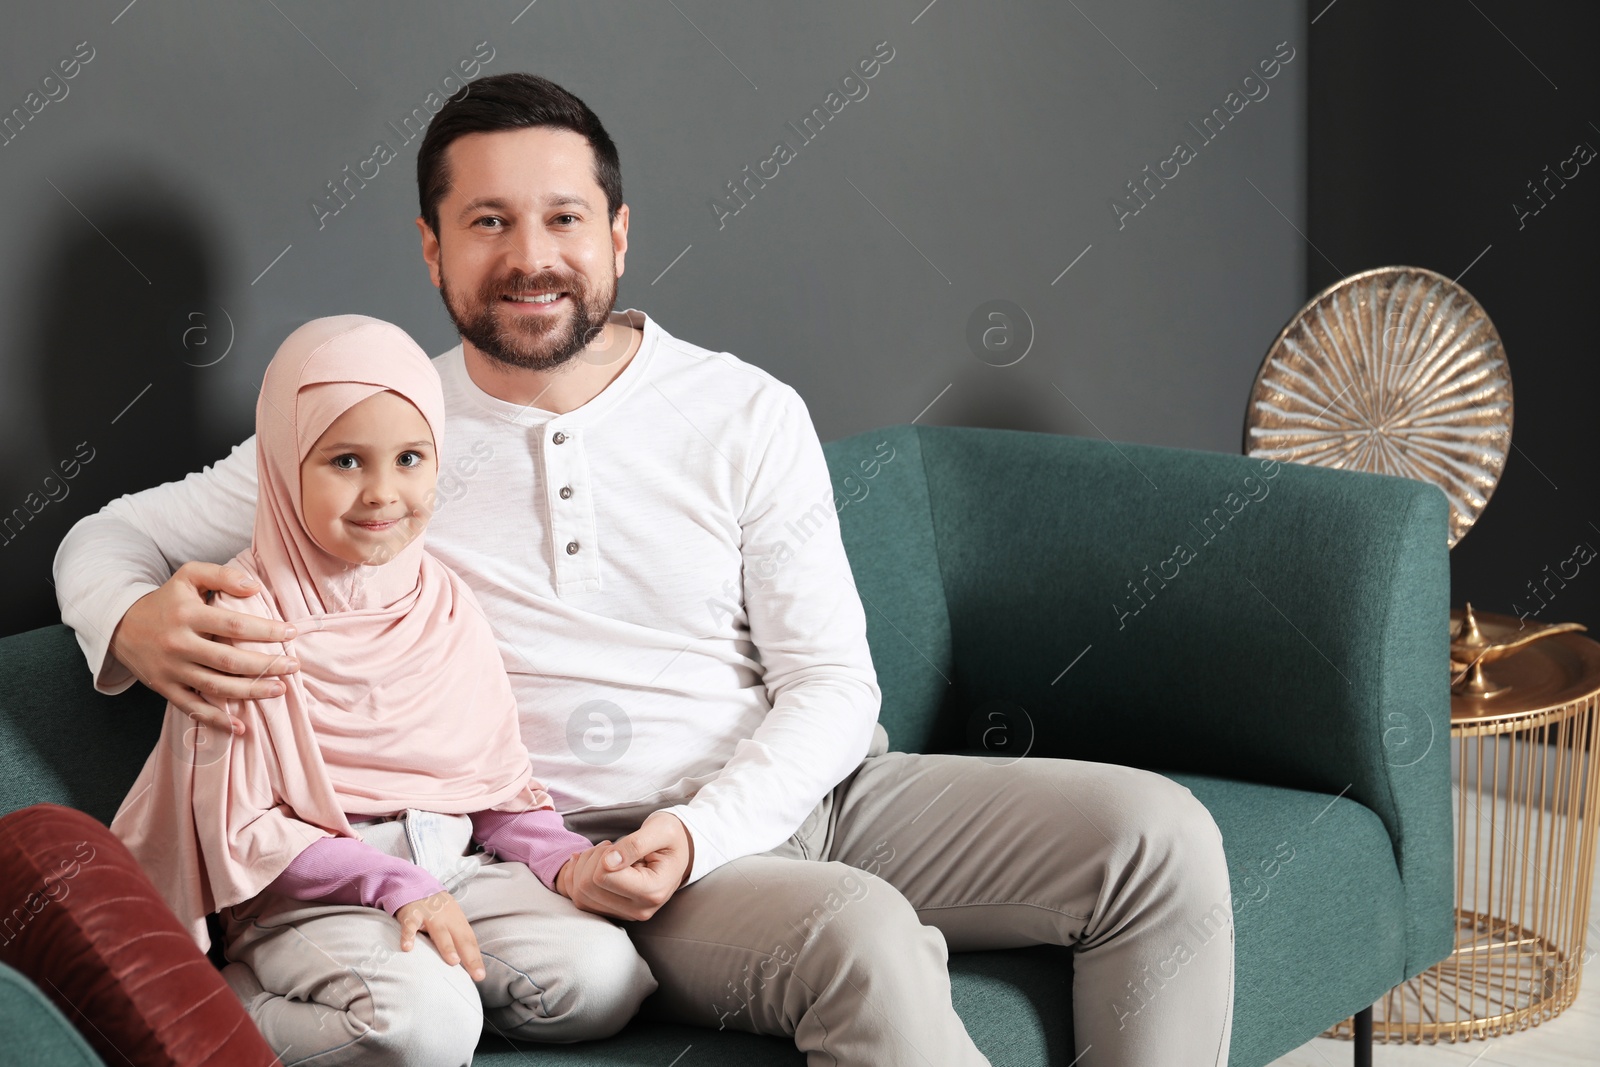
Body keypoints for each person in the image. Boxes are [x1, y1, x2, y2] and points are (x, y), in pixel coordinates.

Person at [57, 73, 1235, 1066]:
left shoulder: (740, 408)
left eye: (565, 218)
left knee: (1157, 834)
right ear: (429, 248)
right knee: (860, 935)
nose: (532, 258)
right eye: (487, 222)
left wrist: (716, 817)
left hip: (816, 789)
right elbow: (101, 536)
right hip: (605, 855)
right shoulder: (372, 428)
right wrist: (132, 623)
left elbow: (833, 684)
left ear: (619, 233)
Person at [108, 314, 657, 1064]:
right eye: (344, 460)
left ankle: (430, 996)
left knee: (607, 980)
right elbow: (241, 833)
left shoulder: (446, 604)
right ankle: (236, 1005)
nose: (382, 493)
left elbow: (493, 787)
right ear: (282, 462)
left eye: (409, 457)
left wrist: (566, 860)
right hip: (312, 894)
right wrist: (390, 881)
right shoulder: (238, 625)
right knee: (425, 1030)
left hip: (457, 870)